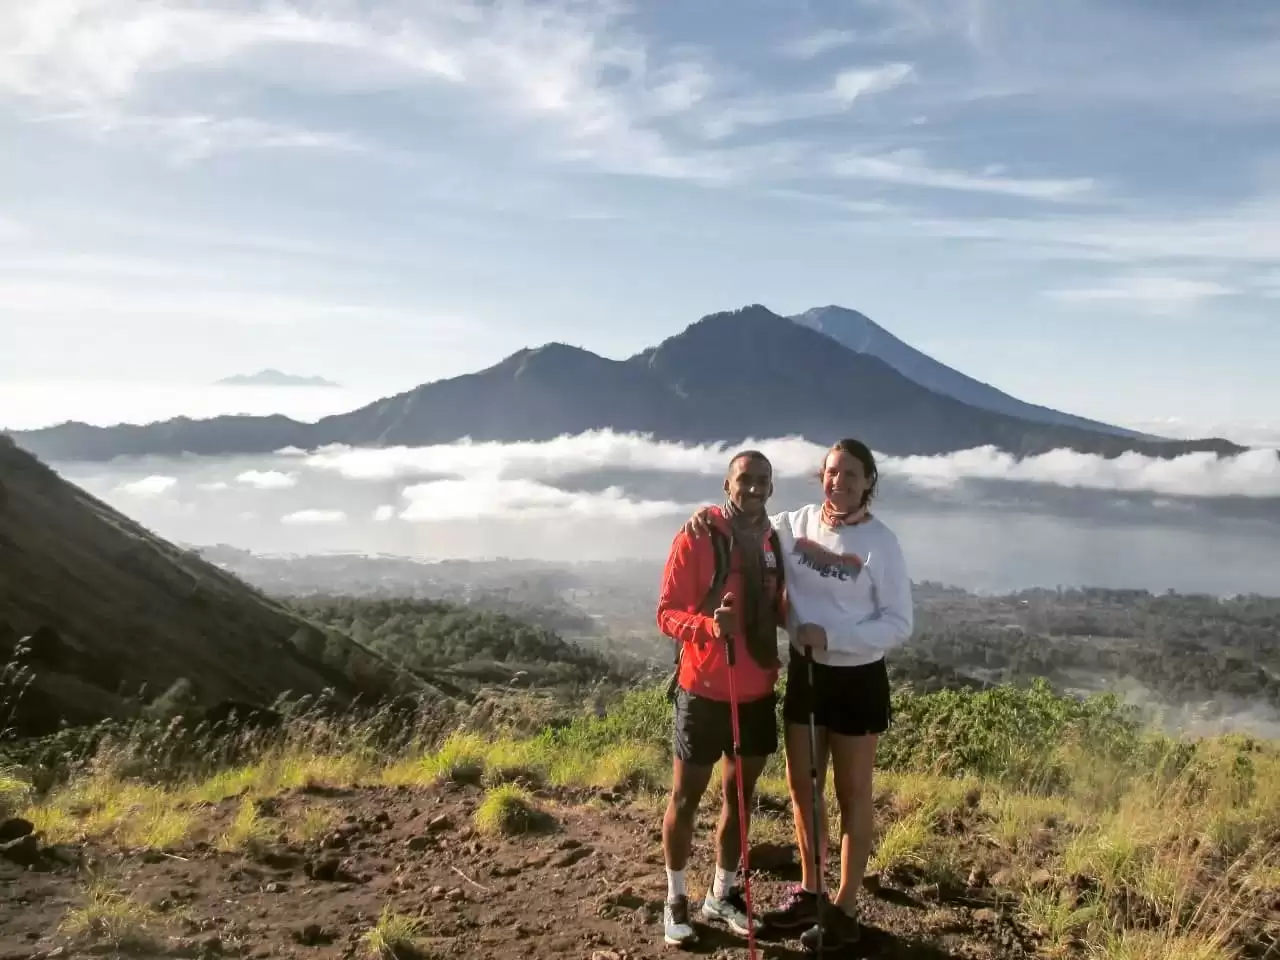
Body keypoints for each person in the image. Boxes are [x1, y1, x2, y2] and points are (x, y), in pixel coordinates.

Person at [681, 438, 913, 951]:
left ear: (868, 482)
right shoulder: (796, 524)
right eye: (832, 472)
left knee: (852, 794)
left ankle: (844, 910)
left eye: (851, 474)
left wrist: (833, 637)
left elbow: (900, 623)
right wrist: (706, 517)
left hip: (857, 679)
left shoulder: (882, 543)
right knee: (804, 790)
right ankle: (811, 891)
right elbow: (745, 518)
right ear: (820, 476)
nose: (839, 481)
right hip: (808, 677)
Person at [655, 449, 788, 947]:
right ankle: (675, 899)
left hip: (757, 691)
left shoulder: (774, 540)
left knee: (740, 800)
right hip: (704, 690)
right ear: (726, 485)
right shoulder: (698, 536)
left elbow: (779, 604)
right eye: (744, 479)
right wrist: (709, 628)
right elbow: (666, 613)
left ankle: (722, 893)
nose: (753, 488)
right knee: (685, 797)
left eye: (762, 480)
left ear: (771, 487)